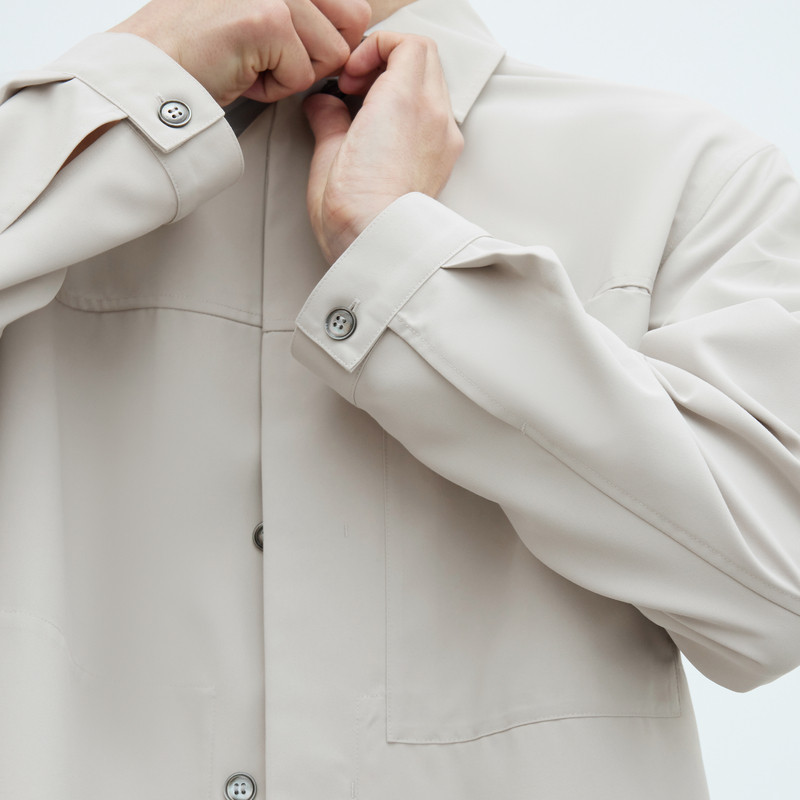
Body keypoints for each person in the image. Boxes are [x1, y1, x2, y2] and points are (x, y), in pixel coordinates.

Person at [1, 0, 799, 797]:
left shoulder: (685, 174)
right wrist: (119, 86)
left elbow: (773, 597)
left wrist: (399, 257)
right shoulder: (29, 164)